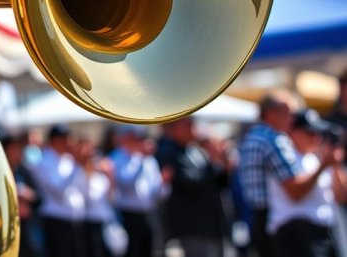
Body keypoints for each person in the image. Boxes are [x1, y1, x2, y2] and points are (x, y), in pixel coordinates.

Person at [237, 90, 338, 257]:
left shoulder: (252, 136)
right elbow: (294, 188)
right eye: (287, 112)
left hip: (257, 216)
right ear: (270, 113)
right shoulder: (272, 139)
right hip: (275, 221)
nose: (291, 118)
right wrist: (323, 165)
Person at [266, 109, 347, 257]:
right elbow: (296, 193)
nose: (316, 138)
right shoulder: (285, 157)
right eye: (310, 133)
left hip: (324, 233)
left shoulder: (315, 158)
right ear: (293, 132)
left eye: (318, 133)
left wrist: (335, 164)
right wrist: (324, 166)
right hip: (296, 235)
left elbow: (342, 196)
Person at [157, 117, 230, 257]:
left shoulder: (196, 151)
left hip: (212, 223)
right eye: (187, 124)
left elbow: (219, 184)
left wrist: (223, 164)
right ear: (173, 129)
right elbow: (192, 184)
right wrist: (214, 163)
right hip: (193, 226)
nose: (192, 128)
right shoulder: (168, 153)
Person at [109, 124, 167, 257]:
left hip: (148, 214)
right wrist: (141, 161)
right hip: (127, 215)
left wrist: (164, 183)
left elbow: (156, 191)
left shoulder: (149, 161)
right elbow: (126, 183)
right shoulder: (115, 158)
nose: (138, 142)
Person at [28, 124, 86, 257]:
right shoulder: (43, 163)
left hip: (75, 220)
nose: (70, 143)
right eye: (66, 139)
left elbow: (80, 189)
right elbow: (58, 190)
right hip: (56, 221)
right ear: (56, 140)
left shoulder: (68, 160)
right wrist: (77, 164)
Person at [77, 138, 117, 257]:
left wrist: (110, 175)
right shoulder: (80, 173)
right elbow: (89, 197)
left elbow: (111, 198)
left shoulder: (101, 175)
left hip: (106, 222)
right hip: (91, 224)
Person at [2, 134, 41, 256]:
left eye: (19, 149)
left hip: (25, 227)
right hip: (5, 227)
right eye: (14, 149)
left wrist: (28, 195)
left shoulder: (24, 172)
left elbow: (39, 198)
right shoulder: (0, 171)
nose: (17, 153)